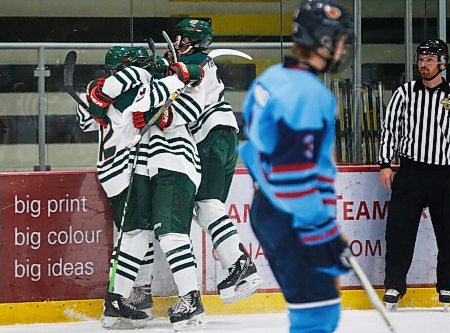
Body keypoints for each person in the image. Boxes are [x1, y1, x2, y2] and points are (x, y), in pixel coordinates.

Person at [240, 1, 353, 332]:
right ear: (325, 40)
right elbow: (293, 178)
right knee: (317, 317)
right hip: (294, 216)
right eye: (341, 38)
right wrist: (321, 230)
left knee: (312, 306)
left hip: (267, 208)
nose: (343, 47)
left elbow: (254, 153)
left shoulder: (270, 79)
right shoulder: (308, 94)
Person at [81, 46, 207, 330]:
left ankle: (116, 302)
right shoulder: (134, 86)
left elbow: (85, 116)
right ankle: (121, 301)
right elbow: (147, 96)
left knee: (137, 236)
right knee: (137, 236)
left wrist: (97, 97)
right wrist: (177, 76)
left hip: (128, 169)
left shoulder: (99, 90)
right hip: (127, 171)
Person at [378, 39, 450, 311]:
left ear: (442, 63)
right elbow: (390, 129)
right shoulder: (404, 94)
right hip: (410, 172)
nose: (423, 64)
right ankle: (394, 285)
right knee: (399, 233)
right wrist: (385, 163)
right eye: (421, 59)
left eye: (429, 59)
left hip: (443, 176)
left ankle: (447, 286)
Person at [170, 18, 263, 304]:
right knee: (206, 207)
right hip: (223, 137)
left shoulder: (196, 63)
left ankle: (239, 264)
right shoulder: (200, 62)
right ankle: (237, 264)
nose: (177, 43)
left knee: (207, 205)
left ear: (194, 41)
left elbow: (185, 99)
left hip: (211, 138)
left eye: (182, 38)